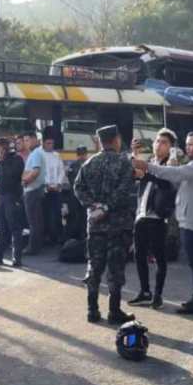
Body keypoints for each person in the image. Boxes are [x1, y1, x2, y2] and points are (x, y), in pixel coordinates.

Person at [133, 131, 193, 315]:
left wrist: (148, 167)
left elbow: (178, 174)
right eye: (187, 144)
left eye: (192, 144)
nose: (188, 148)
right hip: (191, 217)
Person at [74, 125, 137, 324]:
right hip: (118, 226)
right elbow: (124, 190)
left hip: (95, 225)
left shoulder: (89, 163)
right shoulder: (124, 162)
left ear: (100, 141)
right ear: (116, 139)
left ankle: (92, 311)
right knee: (116, 269)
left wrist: (93, 206)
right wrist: (107, 208)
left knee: (94, 267)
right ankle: (114, 311)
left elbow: (77, 188)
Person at [129, 129, 179, 309]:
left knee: (159, 257)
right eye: (157, 141)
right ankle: (144, 291)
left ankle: (158, 294)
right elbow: (136, 177)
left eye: (164, 142)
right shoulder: (149, 162)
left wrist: (147, 174)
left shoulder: (171, 165)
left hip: (158, 216)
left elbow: (168, 184)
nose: (158, 145)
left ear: (171, 147)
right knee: (139, 254)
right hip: (142, 213)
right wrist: (133, 156)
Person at [0, 137, 26, 267]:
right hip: (0, 196)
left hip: (12, 196)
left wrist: (2, 161)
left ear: (5, 147)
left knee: (15, 228)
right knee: (0, 228)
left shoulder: (16, 159)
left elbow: (12, 176)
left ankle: (17, 258)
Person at [21, 131, 47, 255]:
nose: (26, 143)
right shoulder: (34, 153)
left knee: (33, 221)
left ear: (35, 140)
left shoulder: (36, 153)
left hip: (32, 190)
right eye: (25, 140)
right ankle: (37, 246)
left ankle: (33, 248)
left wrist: (25, 181)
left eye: (28, 140)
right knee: (37, 220)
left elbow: (35, 172)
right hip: (34, 190)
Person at [41, 129, 65, 247]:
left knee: (56, 214)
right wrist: (47, 185)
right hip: (45, 190)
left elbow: (61, 171)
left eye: (52, 143)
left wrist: (59, 184)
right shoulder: (40, 155)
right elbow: (40, 172)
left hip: (56, 189)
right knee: (45, 214)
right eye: (48, 143)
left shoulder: (57, 155)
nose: (51, 145)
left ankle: (57, 237)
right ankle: (46, 237)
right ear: (44, 143)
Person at [65, 146, 89, 241]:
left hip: (74, 195)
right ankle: (83, 235)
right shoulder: (88, 164)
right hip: (85, 195)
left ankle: (74, 236)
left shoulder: (72, 165)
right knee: (83, 216)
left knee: (75, 216)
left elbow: (71, 181)